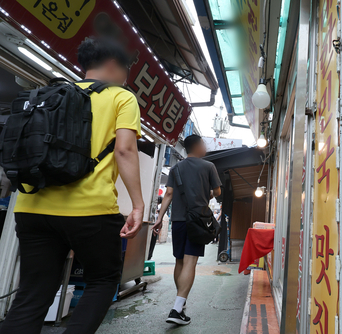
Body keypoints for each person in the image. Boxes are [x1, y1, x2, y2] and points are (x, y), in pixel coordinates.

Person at [0, 37, 144, 334]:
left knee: (32, 294)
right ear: (113, 64)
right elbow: (125, 150)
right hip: (90, 211)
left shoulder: (48, 93)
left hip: (32, 208)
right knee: (103, 280)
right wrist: (138, 205)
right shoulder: (121, 97)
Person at [153, 135, 221, 325]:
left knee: (180, 261)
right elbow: (218, 192)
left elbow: (168, 194)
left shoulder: (176, 168)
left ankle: (180, 304)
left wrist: (159, 219)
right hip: (197, 220)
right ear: (198, 146)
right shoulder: (208, 167)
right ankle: (176, 309)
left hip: (179, 220)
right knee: (190, 262)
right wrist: (207, 191)